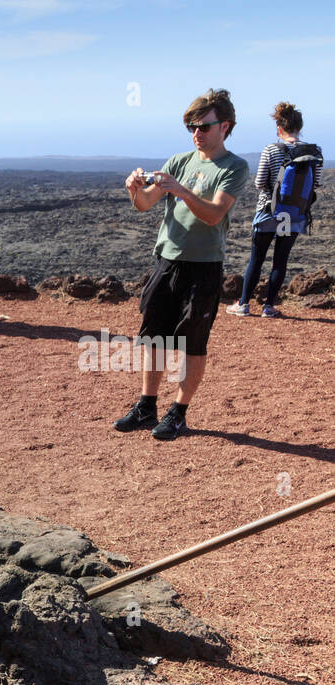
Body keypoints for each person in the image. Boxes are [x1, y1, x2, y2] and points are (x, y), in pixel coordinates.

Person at [113, 89, 250, 441]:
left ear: (225, 126)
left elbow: (215, 214)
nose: (196, 133)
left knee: (192, 343)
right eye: (192, 126)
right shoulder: (178, 161)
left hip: (203, 267)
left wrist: (182, 191)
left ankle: (179, 412)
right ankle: (147, 406)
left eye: (204, 126)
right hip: (167, 261)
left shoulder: (234, 166)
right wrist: (133, 190)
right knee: (153, 337)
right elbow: (144, 204)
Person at [226, 102, 322, 319]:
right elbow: (314, 184)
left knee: (256, 259)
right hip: (293, 215)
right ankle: (269, 306)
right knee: (281, 260)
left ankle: (243, 305)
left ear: (279, 128)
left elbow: (260, 182)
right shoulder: (313, 152)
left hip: (268, 212)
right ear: (300, 127)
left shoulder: (271, 149)